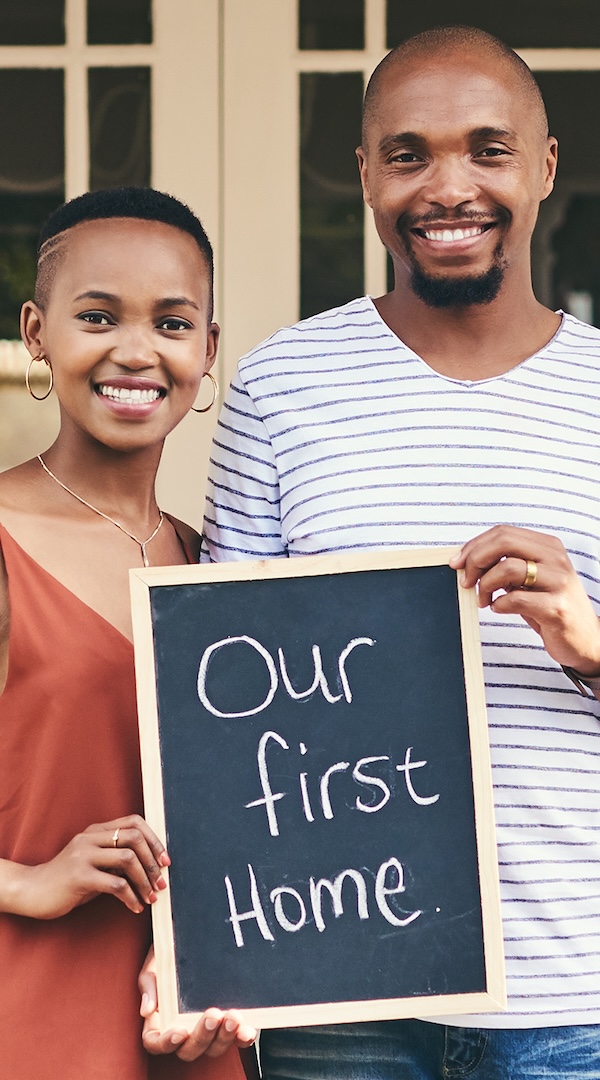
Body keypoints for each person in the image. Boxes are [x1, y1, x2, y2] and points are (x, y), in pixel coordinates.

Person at [202, 25, 600, 1080]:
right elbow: (214, 719)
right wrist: (204, 947)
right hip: (335, 979)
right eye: (410, 153)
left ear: (545, 166)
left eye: (488, 148)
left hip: (573, 992)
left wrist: (586, 641)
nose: (449, 186)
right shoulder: (277, 388)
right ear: (367, 174)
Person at [0, 186, 256, 1079]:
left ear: (208, 349)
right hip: (31, 1022)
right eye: (98, 316)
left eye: (173, 323)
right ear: (38, 333)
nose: (136, 351)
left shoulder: (210, 562)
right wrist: (28, 881)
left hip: (191, 1030)